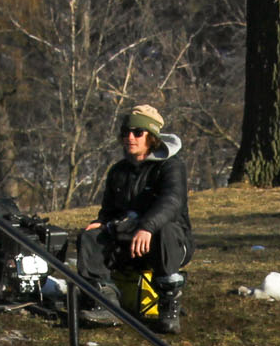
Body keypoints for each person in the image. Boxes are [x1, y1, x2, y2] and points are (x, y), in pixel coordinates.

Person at [77, 103, 193, 333]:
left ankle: (168, 306)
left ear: (152, 136)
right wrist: (102, 222)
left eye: (138, 133)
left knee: (166, 230)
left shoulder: (171, 166)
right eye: (126, 133)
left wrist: (147, 227)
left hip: (166, 242)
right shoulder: (118, 171)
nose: (130, 137)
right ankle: (105, 302)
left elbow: (172, 201)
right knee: (90, 236)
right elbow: (109, 210)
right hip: (128, 238)